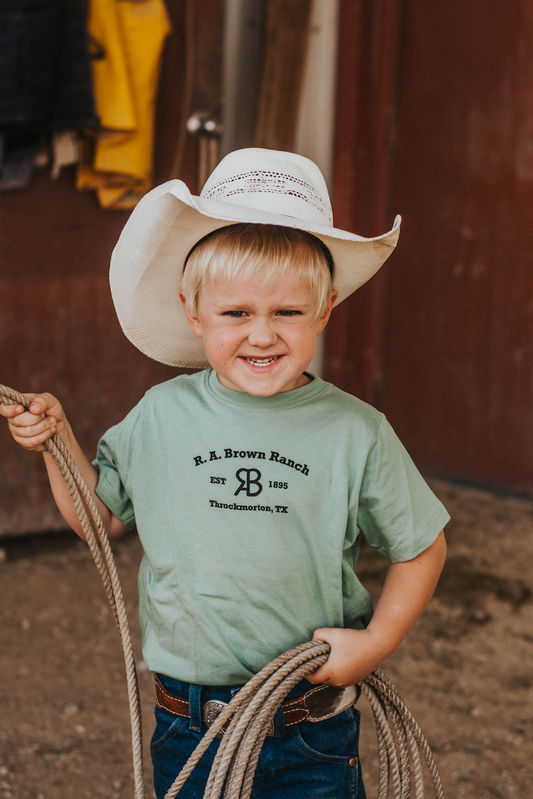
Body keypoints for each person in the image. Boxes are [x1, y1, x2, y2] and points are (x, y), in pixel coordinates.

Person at [1, 148, 449, 799]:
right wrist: (56, 442)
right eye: (236, 313)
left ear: (323, 312)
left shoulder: (356, 431)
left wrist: (375, 641)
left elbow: (421, 547)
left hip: (309, 724)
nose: (261, 335)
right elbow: (97, 521)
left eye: (287, 313)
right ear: (194, 312)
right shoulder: (161, 416)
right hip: (188, 723)